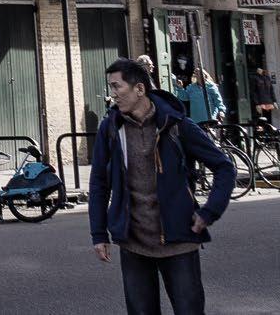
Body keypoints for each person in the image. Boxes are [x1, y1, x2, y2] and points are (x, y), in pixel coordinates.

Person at [89, 57, 234, 315]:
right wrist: (99, 233)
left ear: (139, 89)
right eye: (111, 87)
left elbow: (224, 167)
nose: (113, 95)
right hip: (134, 242)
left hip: (179, 240)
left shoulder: (177, 125)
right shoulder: (110, 129)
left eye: (117, 86)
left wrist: (209, 211)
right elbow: (99, 182)